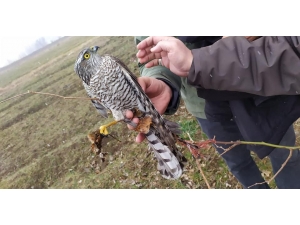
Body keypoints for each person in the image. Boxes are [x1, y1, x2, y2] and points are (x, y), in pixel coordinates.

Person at [127, 36, 300, 189]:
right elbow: (149, 49)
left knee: (285, 153)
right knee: (238, 163)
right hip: (205, 106)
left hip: (259, 90)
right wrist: (161, 79)